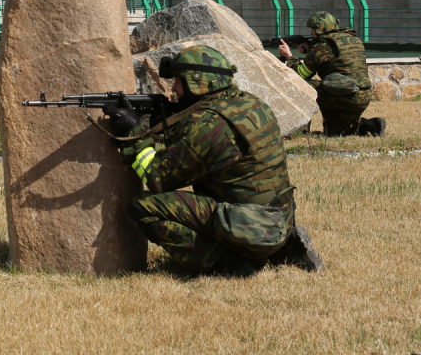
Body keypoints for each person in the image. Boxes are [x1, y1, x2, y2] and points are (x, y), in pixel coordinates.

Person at [103, 45, 323, 278]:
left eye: (178, 81)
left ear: (197, 82)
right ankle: (286, 248)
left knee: (142, 206)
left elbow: (159, 178)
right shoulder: (251, 104)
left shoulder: (207, 123)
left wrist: (132, 133)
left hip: (250, 227)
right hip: (281, 219)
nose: (173, 89)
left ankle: (226, 263)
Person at [277, 11, 385, 137]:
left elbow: (301, 75)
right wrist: (311, 51)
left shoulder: (322, 46)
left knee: (301, 87)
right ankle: (370, 124)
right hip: (363, 95)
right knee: (335, 133)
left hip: (344, 94)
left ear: (320, 28)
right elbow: (337, 60)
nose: (311, 32)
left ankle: (299, 131)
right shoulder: (352, 39)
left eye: (313, 29)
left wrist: (289, 56)